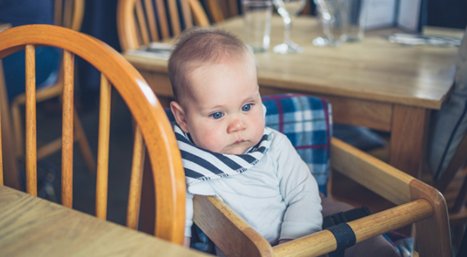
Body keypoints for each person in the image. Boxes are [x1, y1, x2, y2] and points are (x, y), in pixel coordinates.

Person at [168, 28, 399, 257]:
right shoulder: (187, 164)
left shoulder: (274, 146)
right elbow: (179, 227)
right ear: (183, 118)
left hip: (305, 237)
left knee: (371, 243)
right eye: (218, 115)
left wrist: (293, 242)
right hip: (246, 249)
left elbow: (303, 194)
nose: (238, 125)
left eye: (247, 107)